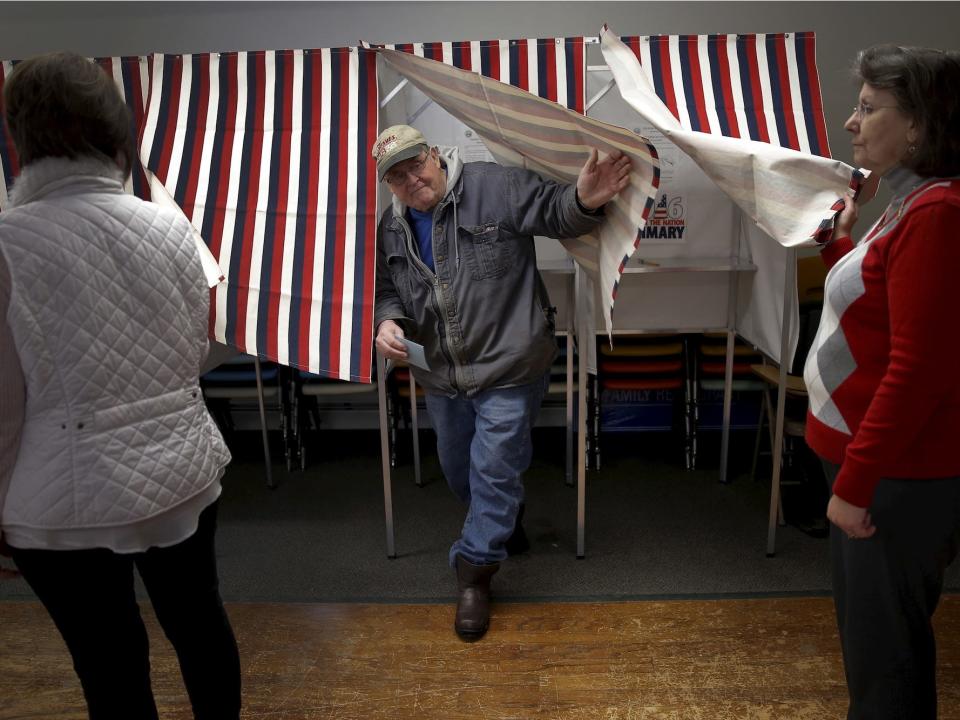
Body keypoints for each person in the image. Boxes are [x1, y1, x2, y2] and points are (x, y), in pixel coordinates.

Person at [0, 53, 240, 719]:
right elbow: (198, 352)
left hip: (64, 500)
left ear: (21, 137)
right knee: (200, 627)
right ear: (115, 133)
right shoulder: (171, 225)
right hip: (185, 471)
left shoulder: (8, 242)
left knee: (109, 661)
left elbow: (4, 407)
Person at [372, 124, 631, 641]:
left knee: (492, 468)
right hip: (441, 374)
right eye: (396, 177)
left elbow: (557, 210)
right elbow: (386, 287)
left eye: (414, 165)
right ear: (389, 186)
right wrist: (387, 321)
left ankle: (474, 572)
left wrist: (584, 197)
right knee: (458, 470)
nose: (411, 180)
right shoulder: (392, 227)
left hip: (510, 364)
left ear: (434, 156)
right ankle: (503, 521)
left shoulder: (495, 186)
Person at [803, 45, 960, 719]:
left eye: (869, 108)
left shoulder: (937, 215)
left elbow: (918, 369)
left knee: (884, 662)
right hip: (878, 470)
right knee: (878, 650)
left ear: (921, 125)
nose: (850, 122)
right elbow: (883, 312)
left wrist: (855, 483)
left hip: (893, 481)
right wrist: (842, 246)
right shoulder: (910, 204)